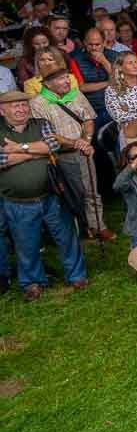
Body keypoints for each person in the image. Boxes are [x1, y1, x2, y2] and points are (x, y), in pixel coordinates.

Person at [0, 89, 87, 301]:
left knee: (66, 236)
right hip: (18, 201)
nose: (21, 109)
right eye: (15, 106)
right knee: (25, 243)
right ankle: (32, 282)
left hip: (52, 195)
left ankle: (76, 275)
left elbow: (53, 145)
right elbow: (1, 161)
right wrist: (36, 151)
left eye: (23, 104)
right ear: (2, 110)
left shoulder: (40, 123)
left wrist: (17, 149)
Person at [29, 51, 110, 241]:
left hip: (83, 151)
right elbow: (47, 134)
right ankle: (80, 228)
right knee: (72, 195)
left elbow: (88, 119)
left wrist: (86, 139)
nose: (67, 81)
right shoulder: (38, 104)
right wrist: (75, 142)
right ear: (48, 84)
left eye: (67, 77)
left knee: (91, 190)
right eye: (61, 79)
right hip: (60, 156)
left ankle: (99, 226)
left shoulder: (76, 94)